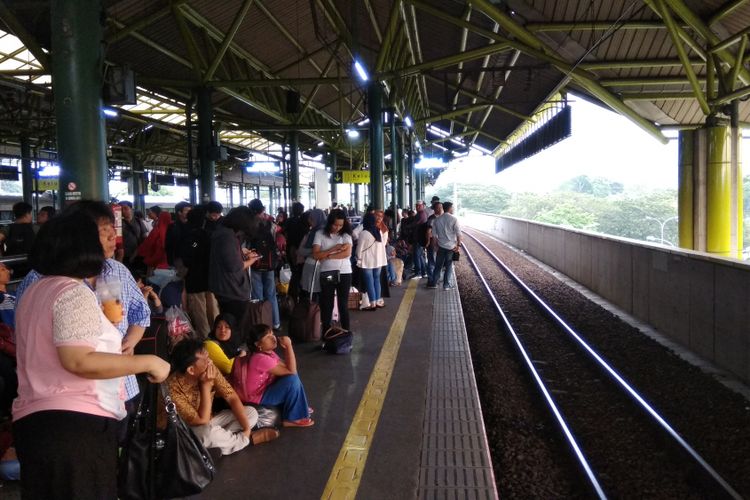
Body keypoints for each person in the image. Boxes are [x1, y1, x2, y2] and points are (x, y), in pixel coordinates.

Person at [12, 211, 170, 499]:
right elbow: (79, 360)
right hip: (75, 428)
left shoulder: (36, 290)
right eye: (100, 235)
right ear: (82, 246)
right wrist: (149, 361)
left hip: (35, 423)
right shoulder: (73, 292)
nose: (110, 240)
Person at [15, 201, 153, 441]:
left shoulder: (116, 270)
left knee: (117, 463)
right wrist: (151, 363)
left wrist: (130, 342)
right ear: (79, 235)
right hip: (66, 402)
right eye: (103, 230)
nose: (113, 235)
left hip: (120, 387)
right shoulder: (44, 280)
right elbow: (72, 358)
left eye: (113, 227)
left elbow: (141, 313)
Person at [162, 338, 278, 455]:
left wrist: (247, 428)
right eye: (206, 360)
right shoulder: (172, 390)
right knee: (207, 434)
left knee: (251, 413)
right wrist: (206, 386)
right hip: (184, 433)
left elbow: (232, 397)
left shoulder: (208, 368)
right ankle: (246, 440)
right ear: (191, 370)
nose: (210, 361)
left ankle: (221, 444)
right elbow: (202, 421)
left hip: (209, 421)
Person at [231, 324, 313, 427]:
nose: (273, 337)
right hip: (256, 397)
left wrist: (287, 352)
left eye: (272, 334)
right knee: (292, 379)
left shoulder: (268, 353)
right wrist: (288, 346)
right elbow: (292, 370)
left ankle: (299, 406)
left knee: (289, 377)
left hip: (263, 388)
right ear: (258, 344)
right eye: (268, 337)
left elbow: (286, 366)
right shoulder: (259, 359)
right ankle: (293, 418)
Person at [208, 206, 260, 325]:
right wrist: (252, 260)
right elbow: (234, 266)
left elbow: (227, 258)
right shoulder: (227, 236)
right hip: (231, 290)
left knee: (229, 323)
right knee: (234, 325)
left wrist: (241, 252)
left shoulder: (222, 231)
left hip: (224, 288)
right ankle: (234, 343)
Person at [313, 209, 353, 333]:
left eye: (341, 225)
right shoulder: (320, 234)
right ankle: (326, 332)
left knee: (343, 304)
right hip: (327, 273)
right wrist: (334, 248)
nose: (338, 228)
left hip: (344, 273)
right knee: (327, 303)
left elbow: (347, 253)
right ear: (329, 222)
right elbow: (315, 255)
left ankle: (347, 332)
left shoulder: (346, 235)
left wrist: (328, 256)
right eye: (335, 224)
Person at [181, 206, 219, 338]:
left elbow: (187, 259)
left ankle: (205, 340)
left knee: (200, 313)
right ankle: (217, 338)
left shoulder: (189, 236)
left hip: (195, 280)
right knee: (213, 310)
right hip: (210, 279)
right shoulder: (209, 234)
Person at [247, 199, 281, 330]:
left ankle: (262, 324)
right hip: (270, 262)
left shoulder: (249, 226)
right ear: (262, 209)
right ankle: (276, 322)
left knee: (258, 294)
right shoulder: (271, 225)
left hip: (255, 261)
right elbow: (276, 242)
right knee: (271, 293)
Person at [427, 202, 462, 291]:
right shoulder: (454, 219)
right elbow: (459, 234)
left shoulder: (437, 220)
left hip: (441, 247)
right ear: (449, 208)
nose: (453, 209)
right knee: (449, 266)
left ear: (443, 208)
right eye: (452, 208)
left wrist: (435, 246)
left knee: (438, 266)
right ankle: (446, 285)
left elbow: (434, 235)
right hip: (451, 247)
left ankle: (434, 283)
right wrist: (458, 245)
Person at [356, 213, 386, 310]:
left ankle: (372, 303)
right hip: (379, 261)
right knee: (377, 280)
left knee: (370, 281)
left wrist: (358, 257)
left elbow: (359, 249)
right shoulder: (379, 231)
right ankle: (378, 300)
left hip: (367, 261)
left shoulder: (364, 233)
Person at [299, 209, 326, 298]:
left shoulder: (315, 233)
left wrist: (315, 252)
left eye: (311, 219)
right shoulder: (327, 231)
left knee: (313, 294)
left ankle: (314, 311)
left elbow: (302, 251)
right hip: (323, 266)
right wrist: (319, 252)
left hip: (313, 266)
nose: (309, 221)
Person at [119, 200, 145, 266]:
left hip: (137, 254)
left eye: (125, 208)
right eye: (121, 209)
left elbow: (144, 238)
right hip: (123, 255)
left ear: (131, 209)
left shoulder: (139, 221)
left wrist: (135, 253)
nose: (123, 211)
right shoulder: (118, 223)